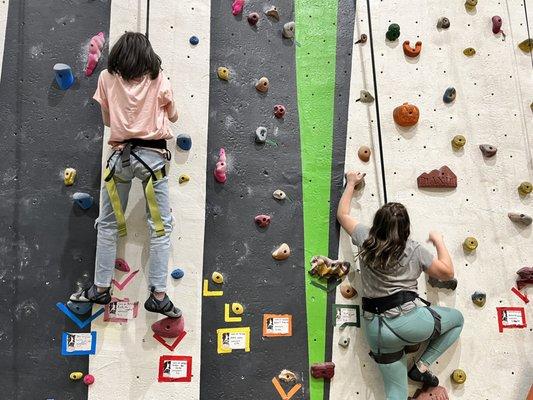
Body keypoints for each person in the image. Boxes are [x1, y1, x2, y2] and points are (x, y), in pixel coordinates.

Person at [70, 32, 180, 318]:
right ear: (148, 56)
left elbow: (108, 120)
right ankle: (158, 294)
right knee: (160, 226)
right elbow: (174, 116)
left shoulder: (106, 78)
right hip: (153, 160)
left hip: (120, 158)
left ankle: (100, 288)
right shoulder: (158, 78)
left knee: (107, 223)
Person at [337, 171, 464, 400]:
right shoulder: (414, 249)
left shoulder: (365, 238)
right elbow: (447, 272)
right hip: (410, 322)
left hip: (376, 330)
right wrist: (438, 241)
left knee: (395, 393)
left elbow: (342, 214)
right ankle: (422, 366)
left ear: (377, 224)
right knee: (457, 320)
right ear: (406, 228)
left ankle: (417, 368)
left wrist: (352, 183)